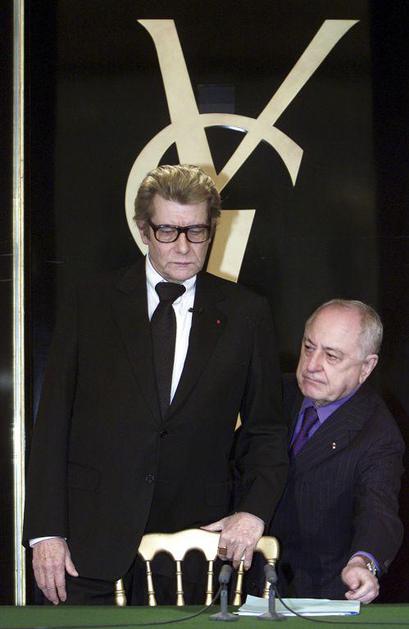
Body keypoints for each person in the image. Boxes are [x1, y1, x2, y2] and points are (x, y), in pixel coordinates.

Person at [23, 164, 288, 605]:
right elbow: (53, 421)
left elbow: (266, 430)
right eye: (168, 231)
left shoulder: (247, 314)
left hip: (195, 552)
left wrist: (254, 510)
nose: (183, 246)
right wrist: (46, 531)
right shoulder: (90, 302)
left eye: (196, 231)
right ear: (144, 230)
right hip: (87, 548)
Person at [269, 299, 404, 603]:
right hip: (244, 586)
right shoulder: (275, 393)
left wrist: (363, 562)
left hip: (319, 597)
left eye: (331, 356)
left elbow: (378, 510)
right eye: (308, 347)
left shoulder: (378, 434)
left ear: (366, 367)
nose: (312, 365)